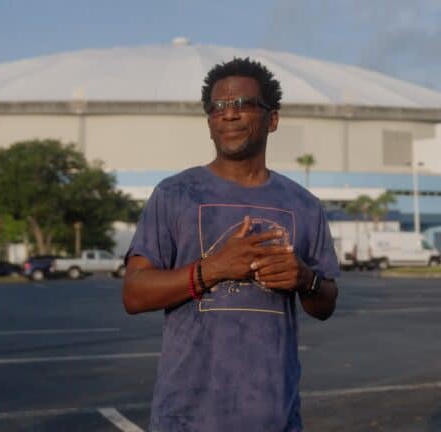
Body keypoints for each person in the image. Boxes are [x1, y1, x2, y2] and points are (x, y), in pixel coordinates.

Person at [122, 57, 340, 432]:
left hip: (276, 417)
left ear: (272, 119)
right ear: (209, 123)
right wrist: (215, 268)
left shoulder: (303, 205)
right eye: (218, 107)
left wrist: (305, 280)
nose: (230, 114)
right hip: (186, 419)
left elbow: (325, 303)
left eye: (243, 104)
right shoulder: (175, 194)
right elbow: (134, 293)